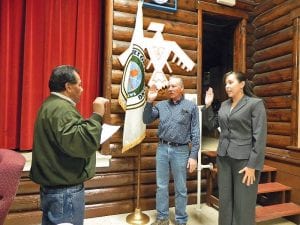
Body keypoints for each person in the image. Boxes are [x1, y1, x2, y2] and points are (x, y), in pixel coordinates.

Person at [30, 65, 109, 225]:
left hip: (54, 187)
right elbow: (81, 144)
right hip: (65, 191)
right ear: (68, 87)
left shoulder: (51, 105)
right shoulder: (62, 109)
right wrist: (97, 114)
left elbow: (68, 138)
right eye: (79, 84)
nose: (82, 89)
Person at [203, 71, 267, 225]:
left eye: (231, 82)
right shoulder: (224, 105)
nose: (227, 86)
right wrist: (208, 105)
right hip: (224, 158)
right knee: (225, 200)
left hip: (244, 161)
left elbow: (260, 138)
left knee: (243, 203)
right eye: (226, 83)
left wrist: (252, 166)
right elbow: (211, 125)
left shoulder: (255, 104)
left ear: (242, 84)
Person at [143, 76, 200, 225]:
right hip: (162, 148)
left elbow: (195, 132)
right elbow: (146, 119)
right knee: (161, 186)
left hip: (181, 150)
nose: (170, 89)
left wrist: (193, 156)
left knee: (180, 188)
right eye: (169, 86)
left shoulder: (191, 107)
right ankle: (162, 218)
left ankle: (181, 219)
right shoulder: (161, 105)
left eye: (174, 86)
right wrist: (149, 101)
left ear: (181, 88)